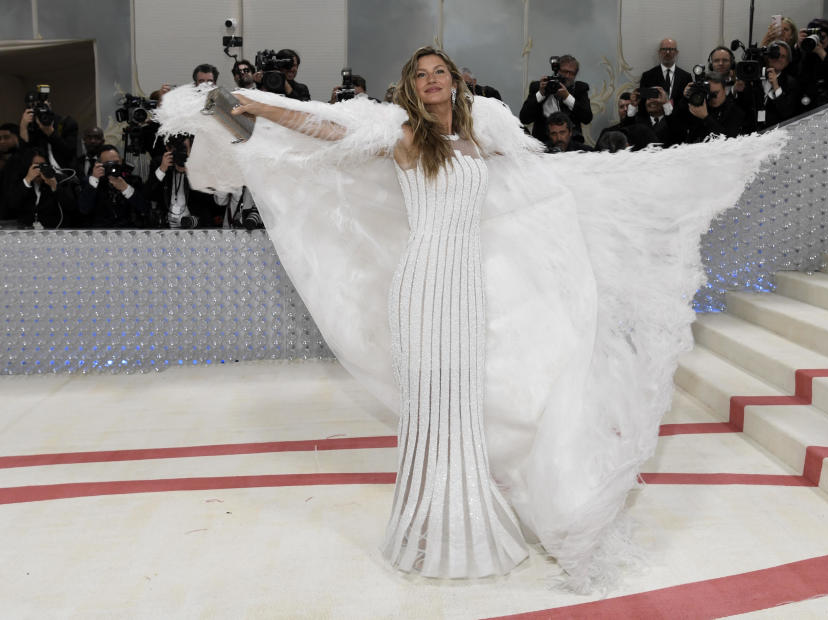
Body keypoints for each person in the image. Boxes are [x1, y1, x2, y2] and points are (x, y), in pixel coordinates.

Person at [160, 45, 783, 591]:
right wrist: (264, 108)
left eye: (440, 72)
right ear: (411, 86)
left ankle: (468, 515)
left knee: (463, 402)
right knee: (431, 402)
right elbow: (327, 128)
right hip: (422, 285)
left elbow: (538, 182)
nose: (432, 81)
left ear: (456, 81)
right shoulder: (404, 135)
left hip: (466, 290)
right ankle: (430, 524)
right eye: (421, 74)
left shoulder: (482, 138)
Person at [518, 54, 593, 146]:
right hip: (542, 144)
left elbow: (587, 118)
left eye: (572, 73)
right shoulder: (538, 87)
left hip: (571, 145)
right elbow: (524, 118)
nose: (568, 76)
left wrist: (567, 98)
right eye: (564, 71)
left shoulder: (580, 89)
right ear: (557, 70)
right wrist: (541, 94)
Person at [77, 144, 148, 228]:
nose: (114, 167)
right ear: (100, 164)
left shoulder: (133, 180)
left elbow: (145, 208)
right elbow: (84, 210)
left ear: (121, 161)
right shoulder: (90, 181)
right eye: (109, 164)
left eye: (116, 162)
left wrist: (126, 189)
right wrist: (94, 179)